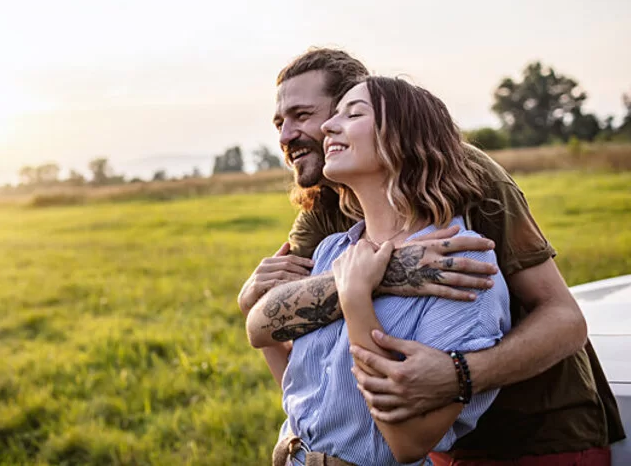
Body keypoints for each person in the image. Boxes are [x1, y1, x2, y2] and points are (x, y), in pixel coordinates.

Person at [239, 48, 624, 464]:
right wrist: (381, 274)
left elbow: (565, 318)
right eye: (280, 122)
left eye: (302, 115)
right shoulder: (329, 209)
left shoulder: (465, 176)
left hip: (533, 432)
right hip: (431, 441)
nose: (285, 136)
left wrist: (459, 375)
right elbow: (283, 326)